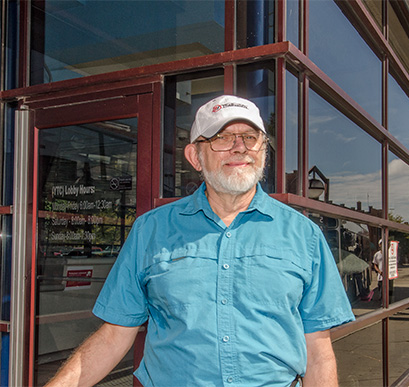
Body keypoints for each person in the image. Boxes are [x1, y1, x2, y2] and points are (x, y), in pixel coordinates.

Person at [46, 95, 355, 387]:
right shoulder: (151, 231)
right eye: (222, 137)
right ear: (195, 156)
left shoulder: (304, 235)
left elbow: (318, 350)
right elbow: (114, 335)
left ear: (262, 151)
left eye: (250, 137)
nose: (239, 147)